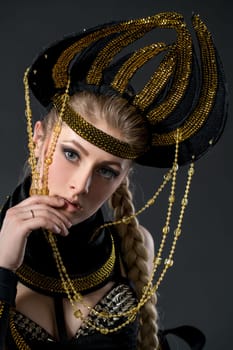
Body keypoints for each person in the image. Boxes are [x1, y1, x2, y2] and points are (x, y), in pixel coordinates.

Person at [0, 11, 227, 350]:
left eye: (106, 170)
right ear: (39, 138)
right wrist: (2, 267)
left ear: (124, 176)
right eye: (71, 154)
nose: (81, 186)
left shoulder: (133, 247)